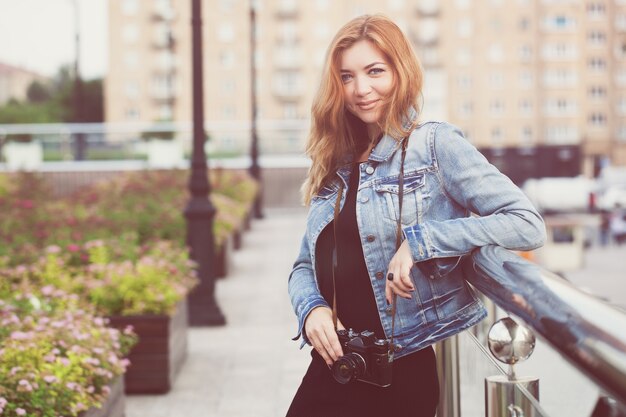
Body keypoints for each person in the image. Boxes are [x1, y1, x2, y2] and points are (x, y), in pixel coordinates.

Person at [287, 14, 546, 417]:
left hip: (401, 371)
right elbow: (304, 264)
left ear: (400, 71)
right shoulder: (335, 161)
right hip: (335, 364)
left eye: (375, 71)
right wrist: (312, 310)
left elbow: (526, 223)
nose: (361, 89)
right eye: (347, 77)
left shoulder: (434, 144)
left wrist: (422, 241)